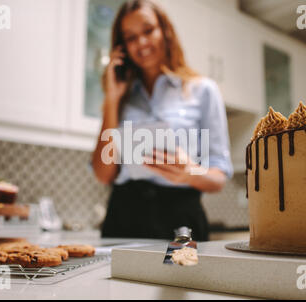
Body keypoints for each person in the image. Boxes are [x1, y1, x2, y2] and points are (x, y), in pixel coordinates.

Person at [91, 0, 232, 241]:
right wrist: (112, 99)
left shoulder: (203, 90)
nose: (141, 43)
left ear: (165, 31)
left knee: (178, 277)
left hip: (181, 220)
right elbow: (104, 175)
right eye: (131, 37)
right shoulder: (121, 96)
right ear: (122, 46)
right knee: (114, 280)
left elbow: (219, 177)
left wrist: (190, 173)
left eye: (148, 30)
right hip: (123, 218)